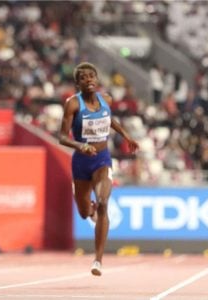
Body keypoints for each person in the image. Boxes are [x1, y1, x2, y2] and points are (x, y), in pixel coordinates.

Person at [59, 62, 139, 276]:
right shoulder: (73, 104)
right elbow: (61, 137)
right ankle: (90, 208)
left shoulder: (107, 100)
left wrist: (127, 136)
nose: (89, 80)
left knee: (104, 203)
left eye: (91, 76)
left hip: (102, 160)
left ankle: (98, 260)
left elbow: (108, 119)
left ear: (97, 78)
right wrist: (80, 145)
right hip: (81, 162)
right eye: (83, 77)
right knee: (85, 213)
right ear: (78, 83)